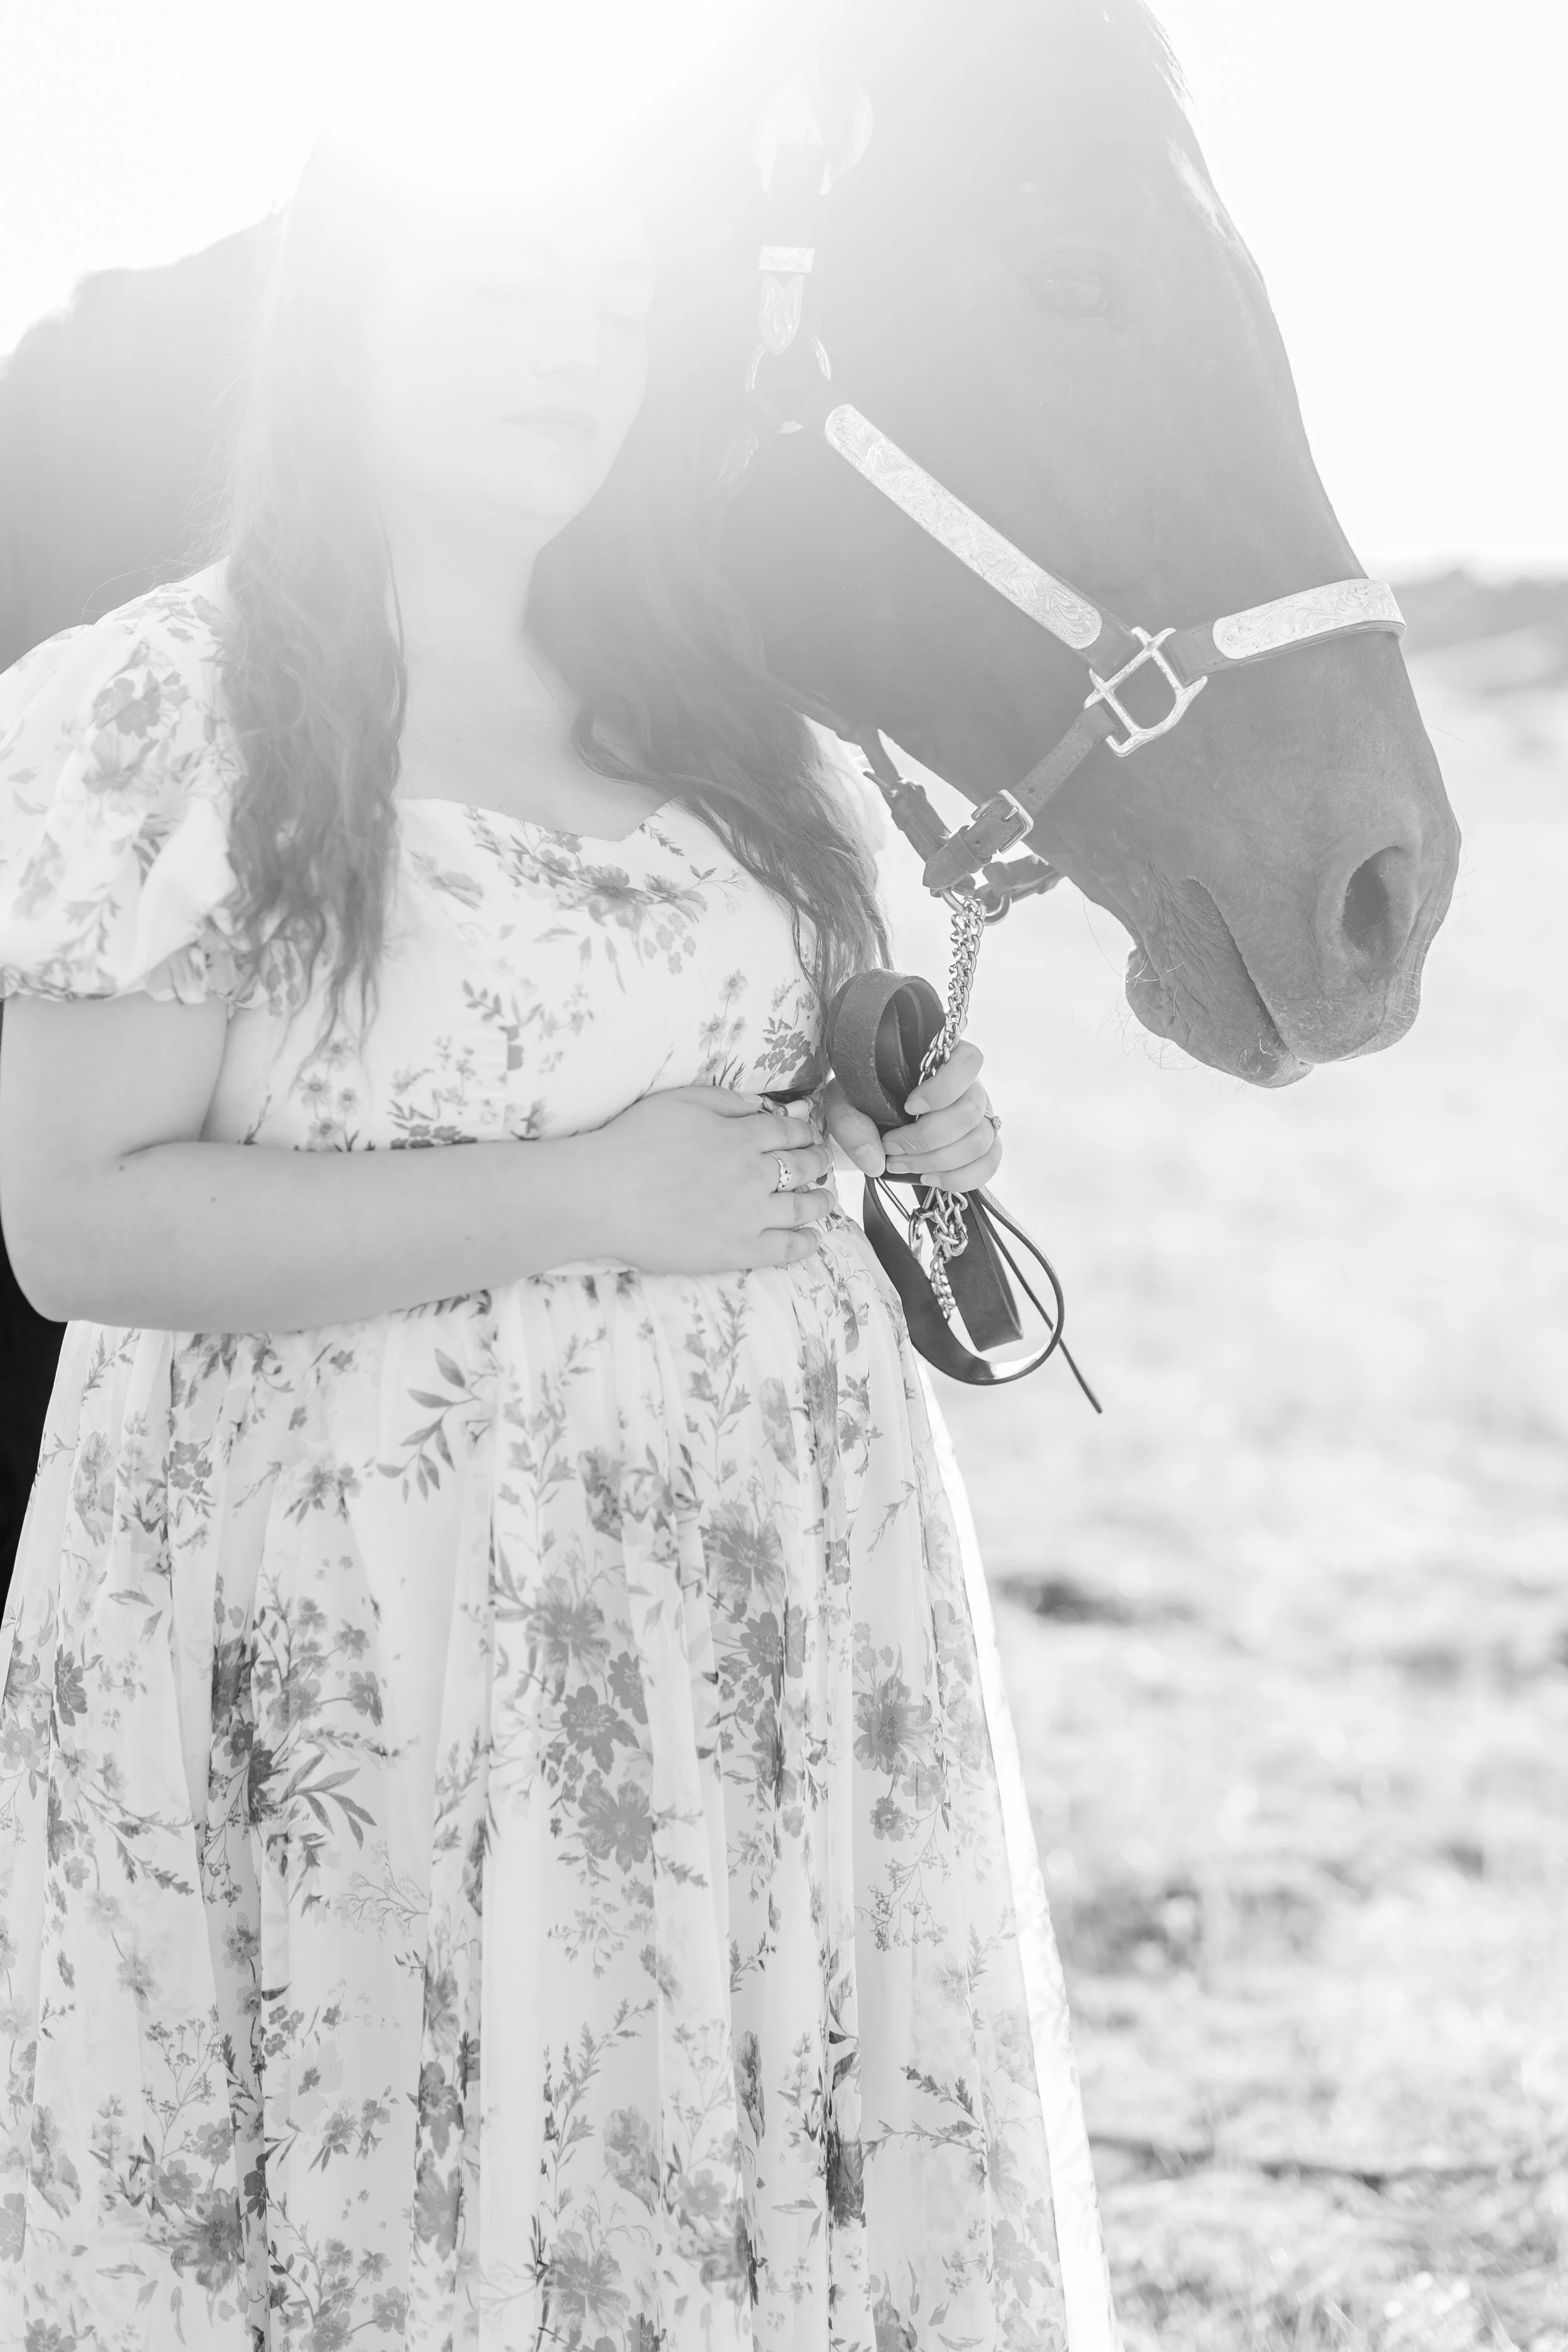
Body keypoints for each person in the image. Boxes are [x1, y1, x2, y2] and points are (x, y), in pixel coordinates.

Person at [0, 55, 1115, 2352]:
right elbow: (73, 1226)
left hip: (760, 1608)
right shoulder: (162, 711)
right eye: (498, 284)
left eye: (608, 299)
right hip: (370, 1628)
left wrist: (911, 1130)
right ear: (346, 322)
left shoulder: (729, 725)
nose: (565, 346)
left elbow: (771, 1092)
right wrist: (582, 1192)